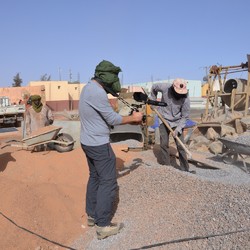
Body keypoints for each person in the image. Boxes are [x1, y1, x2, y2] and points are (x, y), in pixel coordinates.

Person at [79, 60, 143, 240]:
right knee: (108, 181)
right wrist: (133, 117)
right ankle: (103, 225)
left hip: (87, 142)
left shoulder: (87, 88)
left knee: (95, 176)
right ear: (107, 77)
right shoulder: (98, 93)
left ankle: (92, 215)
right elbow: (113, 119)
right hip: (99, 144)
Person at [150, 78, 194, 173]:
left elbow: (185, 116)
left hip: (177, 122)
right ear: (173, 88)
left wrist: (178, 129)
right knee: (164, 144)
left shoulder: (185, 98)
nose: (179, 95)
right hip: (163, 118)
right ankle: (167, 167)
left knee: (180, 146)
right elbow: (154, 87)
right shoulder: (165, 87)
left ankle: (185, 169)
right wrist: (153, 102)